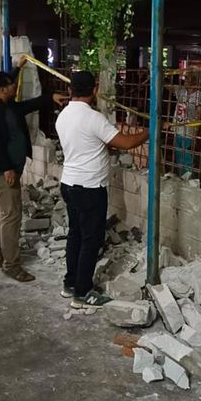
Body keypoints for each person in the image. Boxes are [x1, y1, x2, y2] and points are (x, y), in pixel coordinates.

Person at [56, 71, 149, 308]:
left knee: (76, 234)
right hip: (90, 187)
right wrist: (151, 130)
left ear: (70, 90)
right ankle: (83, 292)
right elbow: (127, 143)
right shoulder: (93, 118)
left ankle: (71, 283)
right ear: (95, 89)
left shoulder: (63, 115)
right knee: (91, 239)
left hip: (69, 182)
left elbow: (85, 145)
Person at [0, 71, 67, 282]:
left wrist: (49, 97)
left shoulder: (8, 107)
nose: (15, 87)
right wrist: (7, 168)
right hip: (1, 172)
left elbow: (28, 106)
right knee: (10, 217)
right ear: (3, 88)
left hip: (2, 170)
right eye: (12, 85)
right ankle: (11, 265)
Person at [165, 68, 201, 176]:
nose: (184, 81)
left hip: (188, 132)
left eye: (187, 79)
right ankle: (182, 177)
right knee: (179, 157)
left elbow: (198, 116)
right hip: (177, 129)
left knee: (187, 158)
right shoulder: (182, 91)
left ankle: (189, 179)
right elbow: (169, 87)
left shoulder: (198, 96)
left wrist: (195, 133)